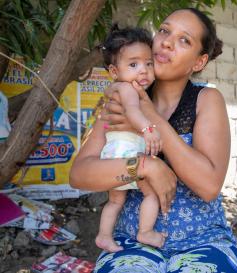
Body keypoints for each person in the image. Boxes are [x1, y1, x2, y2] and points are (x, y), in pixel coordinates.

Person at [70, 7, 237, 273]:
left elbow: (209, 186)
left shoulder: (206, 100)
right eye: (164, 30)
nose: (166, 41)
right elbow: (80, 175)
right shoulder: (122, 99)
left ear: (198, 62)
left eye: (184, 40)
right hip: (132, 239)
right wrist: (144, 166)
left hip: (202, 240)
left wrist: (151, 116)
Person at [95, 25, 166, 252]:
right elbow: (134, 113)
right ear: (115, 71)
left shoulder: (115, 88)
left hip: (114, 153)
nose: (143, 70)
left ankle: (104, 236)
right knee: (151, 194)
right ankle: (145, 232)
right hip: (127, 153)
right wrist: (148, 129)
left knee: (115, 200)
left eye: (148, 63)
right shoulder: (127, 90)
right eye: (133, 64)